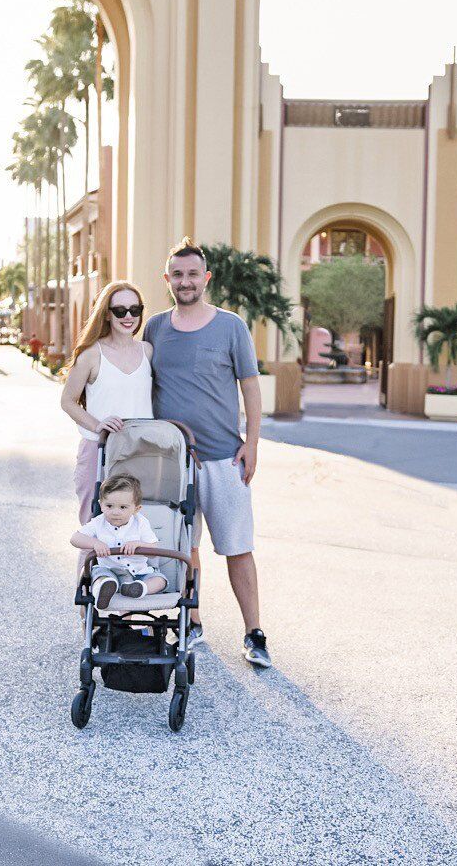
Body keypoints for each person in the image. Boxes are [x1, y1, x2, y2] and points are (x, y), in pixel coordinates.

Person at [145, 236, 271, 669]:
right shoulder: (155, 328)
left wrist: (251, 443)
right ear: (167, 279)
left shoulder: (231, 326)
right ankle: (192, 622)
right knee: (184, 547)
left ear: (206, 278)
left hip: (223, 458)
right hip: (173, 463)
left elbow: (250, 387)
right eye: (177, 274)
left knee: (237, 547)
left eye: (193, 274)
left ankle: (254, 634)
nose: (185, 281)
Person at [61, 281, 154, 523]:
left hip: (140, 452)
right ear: (107, 314)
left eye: (135, 309)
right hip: (98, 450)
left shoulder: (148, 351)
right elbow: (68, 401)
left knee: (137, 527)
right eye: (120, 310)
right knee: (94, 526)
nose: (128, 316)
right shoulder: (91, 353)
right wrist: (97, 424)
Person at [71, 472, 168, 610]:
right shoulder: (98, 522)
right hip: (110, 571)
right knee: (99, 576)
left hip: (139, 573)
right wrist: (95, 543)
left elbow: (154, 550)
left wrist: (139, 544)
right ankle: (102, 591)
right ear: (101, 504)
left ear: (136, 509)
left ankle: (140, 589)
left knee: (160, 581)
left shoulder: (140, 523)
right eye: (109, 506)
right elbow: (75, 538)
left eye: (123, 507)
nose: (115, 512)